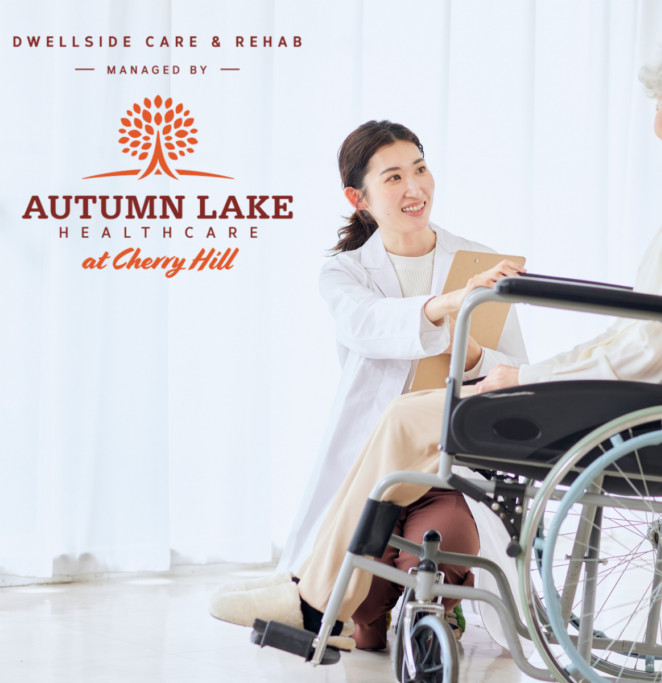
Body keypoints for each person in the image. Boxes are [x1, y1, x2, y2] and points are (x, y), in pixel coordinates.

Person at [211, 32, 662, 647]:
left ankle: (315, 604)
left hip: (632, 410)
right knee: (411, 422)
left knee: (409, 421)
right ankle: (327, 599)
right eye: (394, 176)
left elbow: (652, 349)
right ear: (361, 199)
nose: (657, 125)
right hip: (633, 400)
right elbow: (646, 339)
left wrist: (524, 375)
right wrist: (505, 353)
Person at [208, 121, 529, 651]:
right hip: (373, 463)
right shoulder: (345, 273)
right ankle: (343, 609)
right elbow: (369, 326)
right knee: (368, 615)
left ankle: (432, 608)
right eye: (394, 177)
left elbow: (513, 367)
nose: (415, 189)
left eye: (421, 169)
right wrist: (446, 307)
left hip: (454, 459)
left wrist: (470, 351)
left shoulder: (480, 263)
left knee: (442, 542)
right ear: (358, 197)